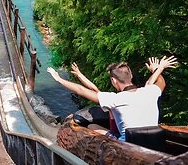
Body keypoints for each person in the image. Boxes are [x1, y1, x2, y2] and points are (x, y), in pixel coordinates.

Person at [47, 55, 178, 141]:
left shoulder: (115, 99)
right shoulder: (150, 92)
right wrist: (157, 69)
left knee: (92, 126)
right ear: (130, 76)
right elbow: (160, 83)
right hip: (154, 140)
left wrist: (59, 79)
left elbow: (83, 90)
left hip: (126, 144)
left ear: (113, 81)